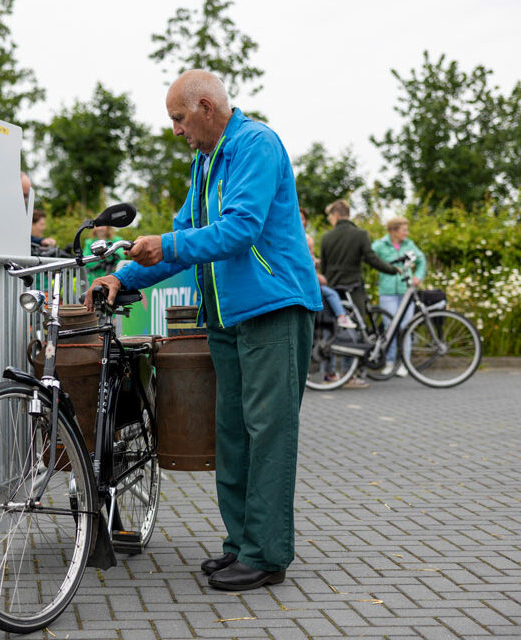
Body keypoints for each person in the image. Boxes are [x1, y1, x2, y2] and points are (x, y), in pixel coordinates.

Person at [88, 69, 321, 591]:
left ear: (206, 109)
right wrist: (121, 276)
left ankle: (266, 554)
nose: (175, 129)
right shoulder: (205, 164)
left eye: (178, 117)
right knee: (233, 435)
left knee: (268, 434)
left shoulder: (256, 145)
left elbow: (241, 229)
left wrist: (167, 246)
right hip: (228, 318)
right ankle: (241, 545)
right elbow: (181, 236)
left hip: (274, 308)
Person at [319, 199, 399, 387]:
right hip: (352, 291)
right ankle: (350, 374)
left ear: (337, 215)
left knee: (329, 331)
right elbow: (372, 259)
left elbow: (323, 266)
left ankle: (329, 374)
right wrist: (393, 269)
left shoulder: (326, 238)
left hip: (331, 290)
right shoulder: (360, 234)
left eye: (330, 216)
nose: (330, 219)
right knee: (352, 333)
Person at [372, 217, 426, 376]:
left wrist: (418, 276)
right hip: (387, 292)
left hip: (405, 291)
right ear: (393, 231)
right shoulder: (380, 245)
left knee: (405, 328)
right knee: (390, 327)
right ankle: (389, 362)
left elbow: (422, 261)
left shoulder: (409, 244)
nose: (406, 233)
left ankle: (404, 363)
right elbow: (369, 257)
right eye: (404, 230)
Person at [301, 209, 354, 330]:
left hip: (310, 277)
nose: (301, 221)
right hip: (304, 279)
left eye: (303, 218)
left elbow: (311, 259)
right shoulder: (302, 238)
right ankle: (341, 316)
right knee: (331, 293)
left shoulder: (308, 238)